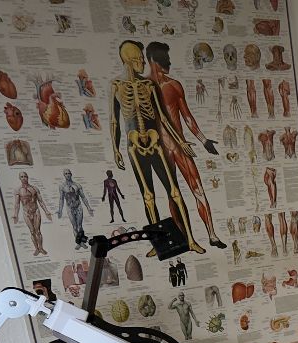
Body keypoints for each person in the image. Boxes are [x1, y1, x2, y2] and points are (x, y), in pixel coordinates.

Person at [110, 39, 203, 253]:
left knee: (174, 191)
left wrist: (180, 141)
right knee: (148, 196)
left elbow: (163, 117)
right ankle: (159, 246)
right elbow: (114, 121)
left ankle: (190, 240)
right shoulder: (116, 87)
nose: (143, 62)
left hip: (155, 142)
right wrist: (116, 150)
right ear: (128, 60)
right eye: (138, 59)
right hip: (134, 146)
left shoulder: (149, 86)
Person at [145, 41, 226, 250]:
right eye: (164, 58)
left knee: (197, 189)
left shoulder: (173, 85)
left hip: (181, 146)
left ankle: (212, 235)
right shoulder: (143, 88)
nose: (168, 62)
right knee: (173, 195)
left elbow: (187, 116)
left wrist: (204, 140)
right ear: (153, 59)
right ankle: (183, 238)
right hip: (160, 150)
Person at [12, 172, 51, 257]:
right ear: (20, 178)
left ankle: (41, 248)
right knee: (32, 231)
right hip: (26, 212)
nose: (24, 178)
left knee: (38, 231)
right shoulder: (18, 190)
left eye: (25, 176)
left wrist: (46, 211)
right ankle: (36, 248)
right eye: (22, 177)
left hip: (36, 211)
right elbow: (17, 204)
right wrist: (15, 214)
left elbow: (40, 201)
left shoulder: (34, 188)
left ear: (27, 177)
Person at [56, 170, 93, 249]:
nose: (67, 175)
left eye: (69, 173)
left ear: (71, 174)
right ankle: (79, 242)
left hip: (78, 206)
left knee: (80, 226)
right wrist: (60, 210)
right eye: (66, 174)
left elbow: (83, 197)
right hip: (69, 207)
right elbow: (61, 199)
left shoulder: (77, 185)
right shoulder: (62, 186)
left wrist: (88, 208)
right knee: (74, 226)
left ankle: (81, 242)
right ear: (64, 175)